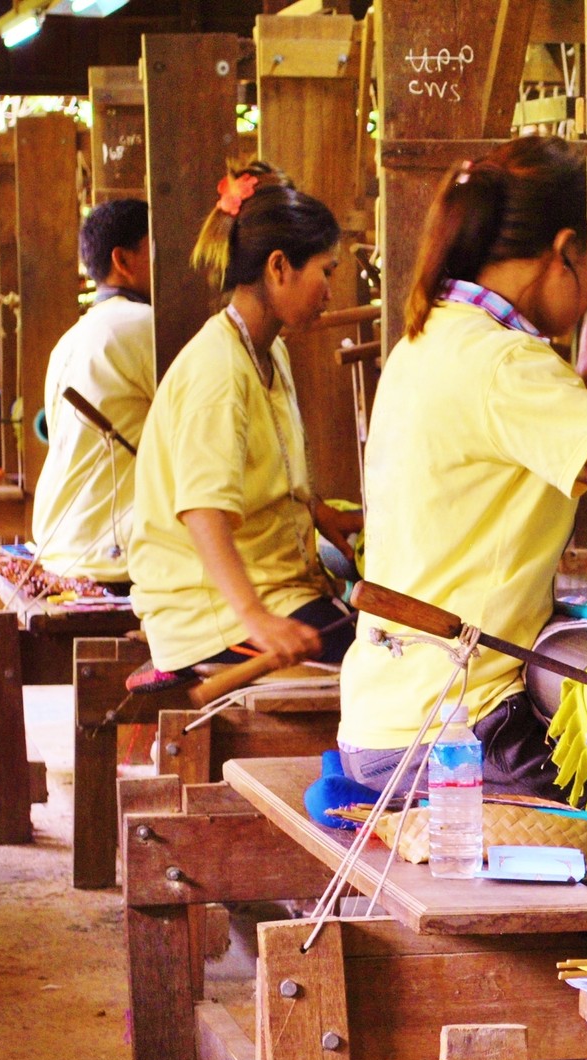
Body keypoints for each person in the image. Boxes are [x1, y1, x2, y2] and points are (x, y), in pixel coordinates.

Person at [336, 136, 587, 798]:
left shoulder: (429, 339)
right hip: (460, 730)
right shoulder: (508, 365)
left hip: (383, 714)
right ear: (566, 252)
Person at [127, 163, 357, 687]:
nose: (329, 292)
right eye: (326, 271)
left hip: (279, 593)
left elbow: (260, 470)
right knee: (389, 671)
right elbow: (203, 511)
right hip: (213, 618)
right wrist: (257, 618)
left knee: (391, 649)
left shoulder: (267, 350)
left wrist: (317, 513)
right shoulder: (217, 369)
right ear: (280, 267)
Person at [30, 198, 155, 589]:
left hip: (60, 541)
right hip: (112, 551)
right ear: (124, 259)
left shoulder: (72, 337)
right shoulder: (141, 325)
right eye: (158, 248)